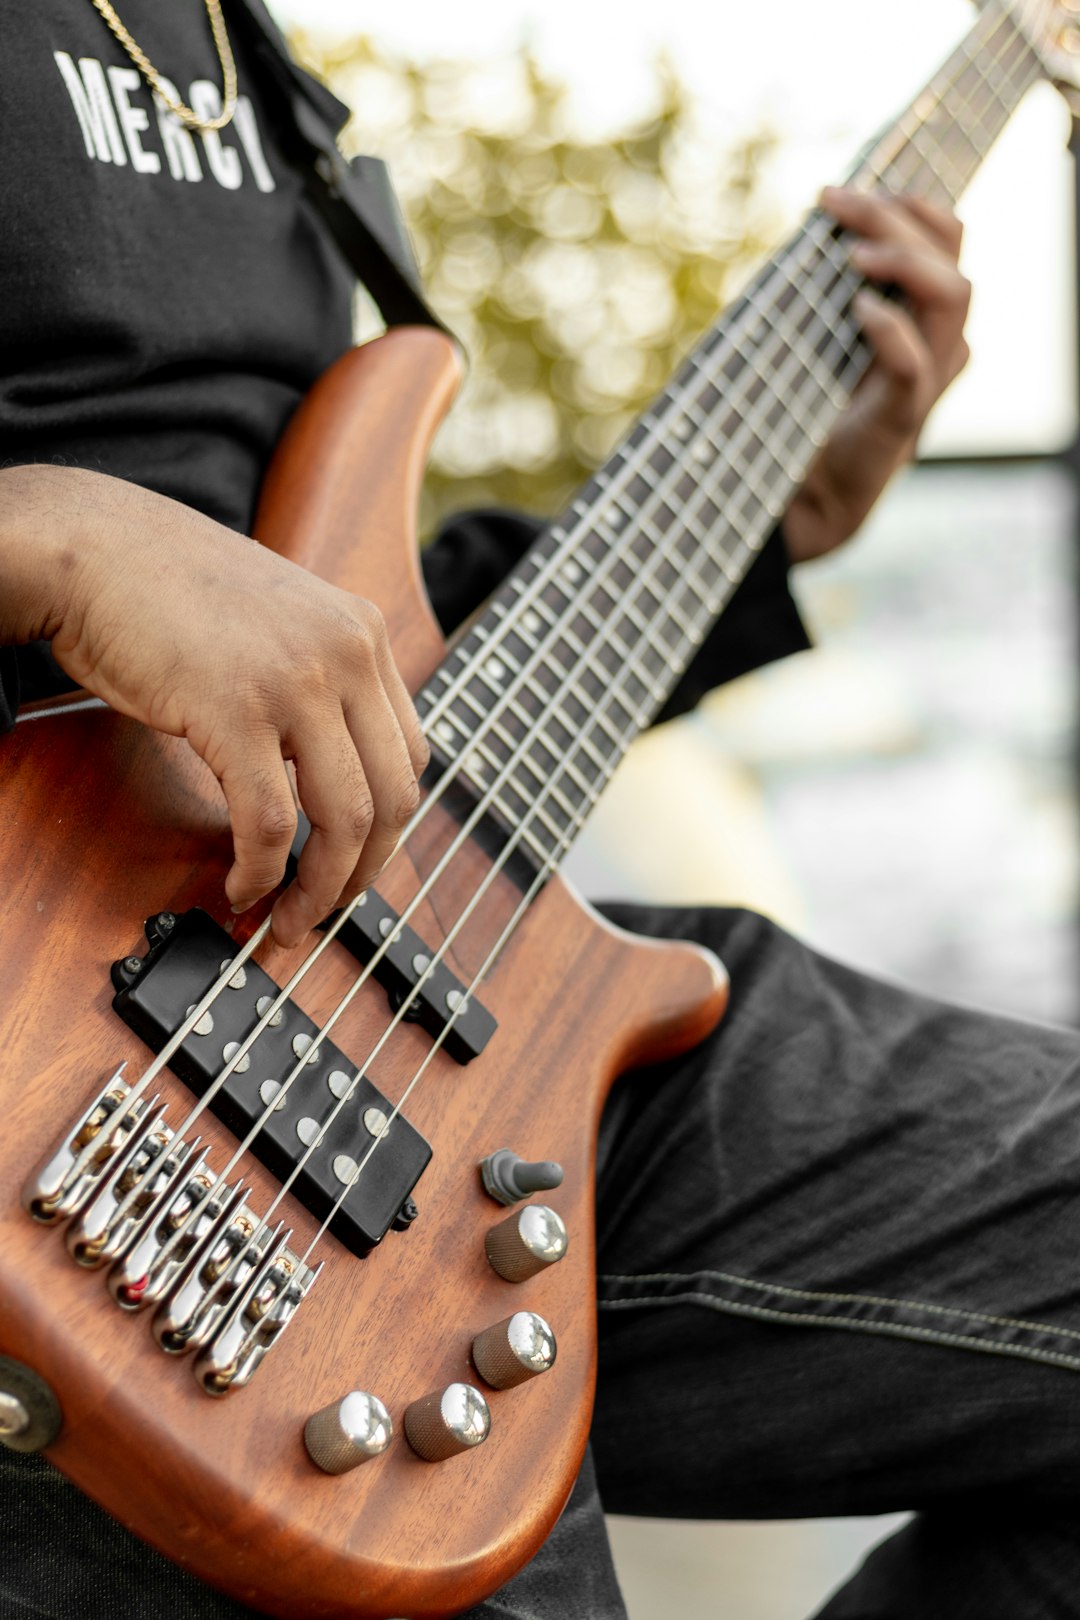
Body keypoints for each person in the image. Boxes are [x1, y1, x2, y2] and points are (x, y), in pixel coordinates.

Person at [3, 4, 1078, 1619]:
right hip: (71, 1068)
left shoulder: (246, 63)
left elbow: (350, 651)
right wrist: (53, 538)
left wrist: (760, 536)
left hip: (420, 991)